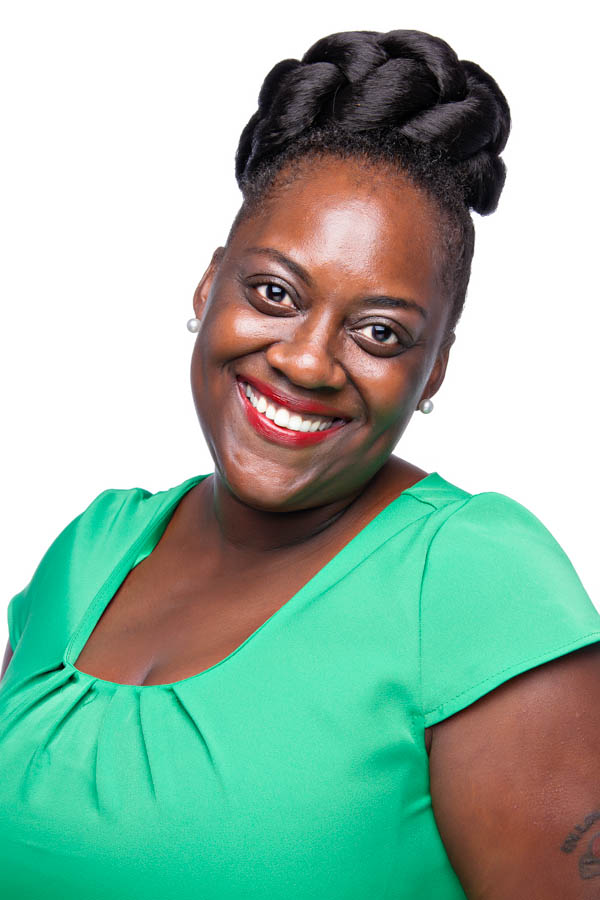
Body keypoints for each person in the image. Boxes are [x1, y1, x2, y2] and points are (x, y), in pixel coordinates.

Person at [1, 26, 599, 900]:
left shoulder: (472, 580)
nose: (309, 361)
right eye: (275, 293)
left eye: (380, 333)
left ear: (434, 369)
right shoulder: (91, 549)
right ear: (209, 285)